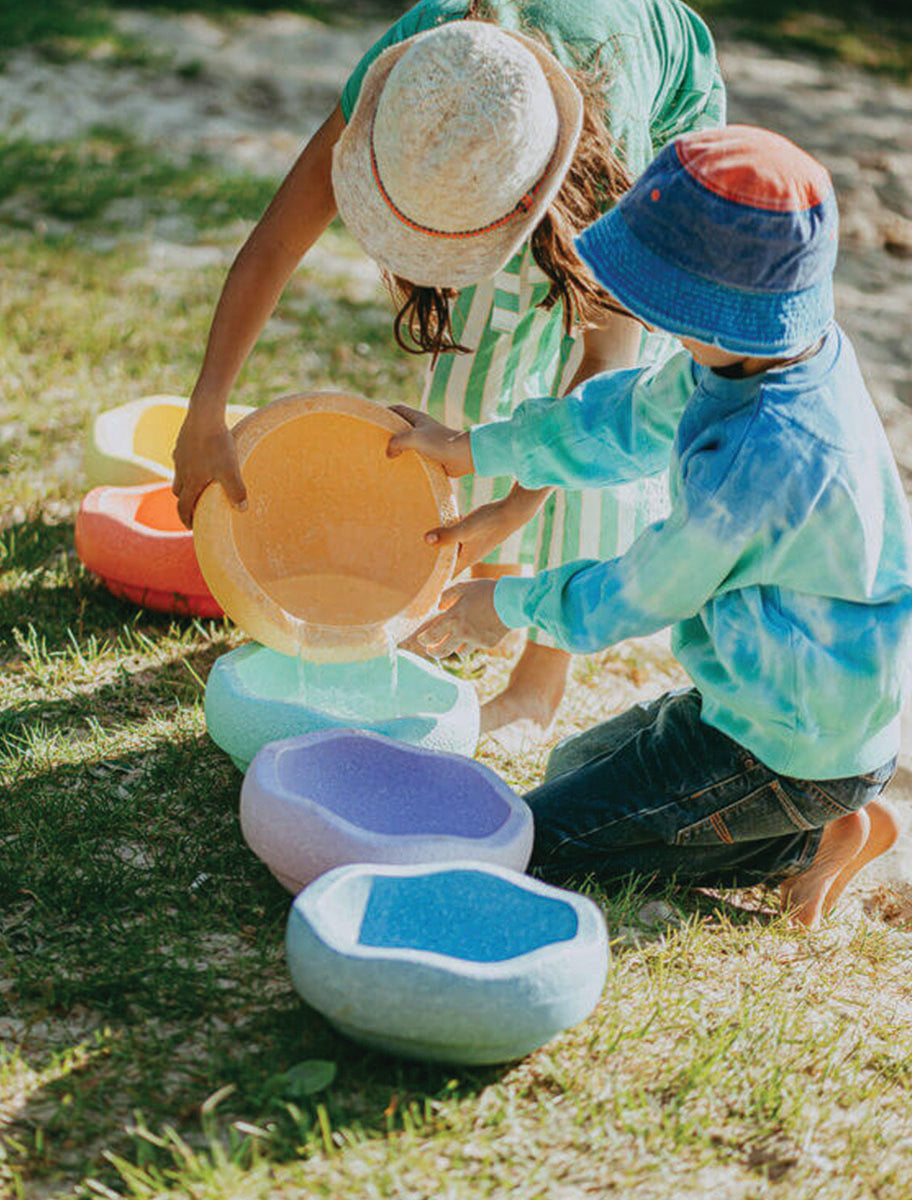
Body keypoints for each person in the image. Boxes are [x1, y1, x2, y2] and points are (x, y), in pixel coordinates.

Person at [392, 124, 910, 928]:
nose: (644, 313)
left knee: (539, 844)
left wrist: (502, 605)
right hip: (766, 700)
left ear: (722, 309)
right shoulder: (766, 352)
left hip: (786, 744)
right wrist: (473, 450)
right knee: (572, 767)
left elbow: (638, 591)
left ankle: (808, 836)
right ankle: (818, 820)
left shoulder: (763, 455)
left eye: (665, 299)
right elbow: (625, 419)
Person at [171, 0, 726, 743]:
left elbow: (602, 369)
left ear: (527, 200)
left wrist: (515, 508)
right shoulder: (417, 75)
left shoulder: (612, 151)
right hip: (522, 132)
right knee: (471, 377)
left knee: (589, 432)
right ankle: (487, 581)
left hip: (648, 120)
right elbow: (274, 241)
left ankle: (540, 675)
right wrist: (207, 407)